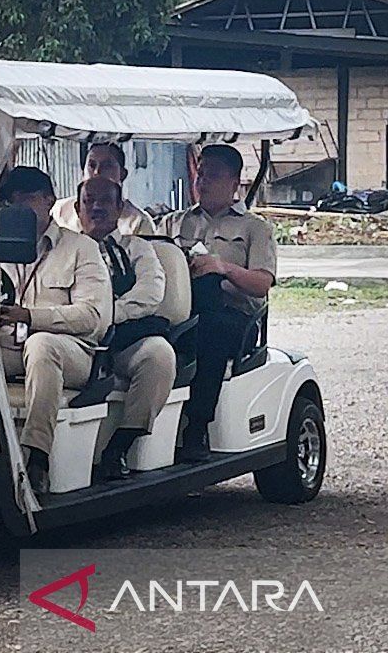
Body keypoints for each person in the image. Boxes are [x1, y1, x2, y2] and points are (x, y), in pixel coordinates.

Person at [159, 144, 277, 462]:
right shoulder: (173, 224)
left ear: (235, 181)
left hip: (235, 318)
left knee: (209, 332)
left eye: (213, 174)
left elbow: (262, 284)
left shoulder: (255, 228)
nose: (203, 180)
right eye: (202, 172)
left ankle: (197, 427)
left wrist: (223, 267)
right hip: (182, 310)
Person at [0, 167, 112, 492]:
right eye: (12, 203)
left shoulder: (81, 248)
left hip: (72, 352)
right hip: (8, 348)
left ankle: (36, 457)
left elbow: (92, 317)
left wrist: (29, 316)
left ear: (49, 201)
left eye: (28, 200)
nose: (19, 209)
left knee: (42, 345)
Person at [74, 176, 175, 480]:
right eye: (88, 201)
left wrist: (100, 315)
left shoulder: (136, 248)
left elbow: (149, 295)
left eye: (104, 201)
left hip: (120, 342)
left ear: (119, 207)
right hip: (76, 341)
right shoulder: (66, 248)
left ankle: (119, 446)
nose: (95, 208)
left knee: (159, 355)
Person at [53, 142, 155, 235]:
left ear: (123, 174)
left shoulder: (138, 222)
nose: (97, 172)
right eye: (92, 166)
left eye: (107, 166)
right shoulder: (59, 211)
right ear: (83, 172)